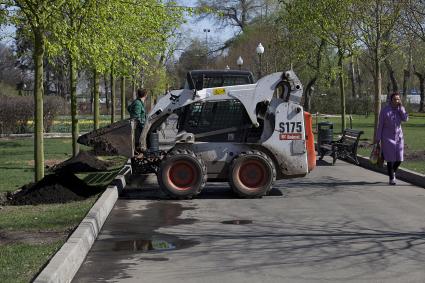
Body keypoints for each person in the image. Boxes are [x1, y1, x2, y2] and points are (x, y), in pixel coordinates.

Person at [375, 92, 408, 185]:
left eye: (398, 99)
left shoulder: (400, 109)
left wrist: (401, 108)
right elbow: (380, 125)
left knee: (400, 158)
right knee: (390, 159)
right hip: (387, 137)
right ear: (391, 100)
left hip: (399, 137)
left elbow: (405, 119)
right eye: (395, 99)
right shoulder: (385, 110)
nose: (397, 101)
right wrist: (378, 139)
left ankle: (393, 171)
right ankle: (391, 178)